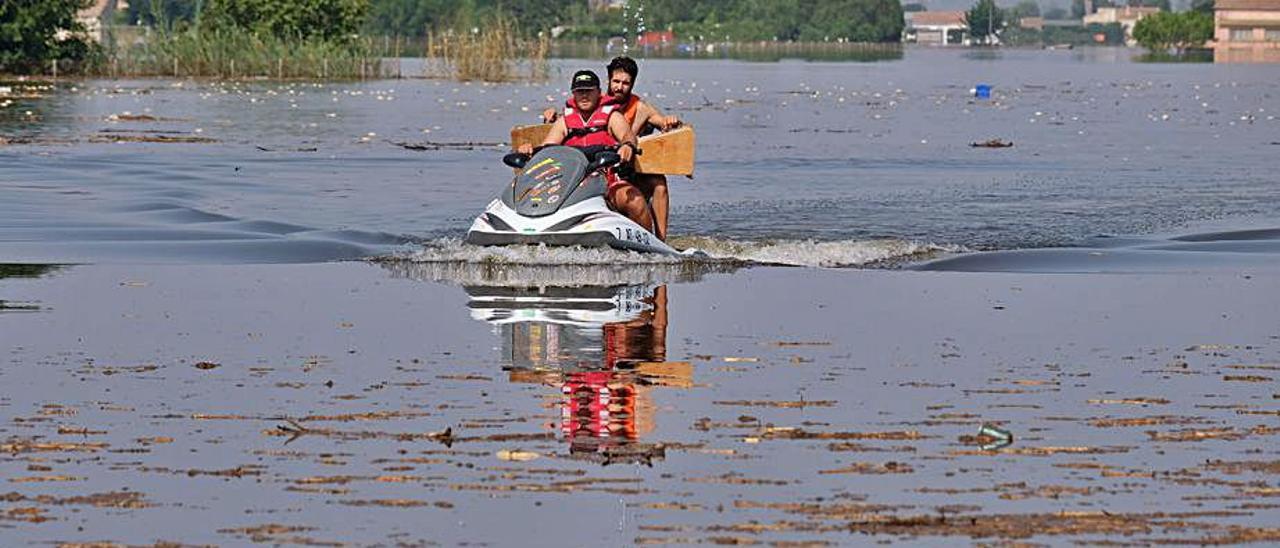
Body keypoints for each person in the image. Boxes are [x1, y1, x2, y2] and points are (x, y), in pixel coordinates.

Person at [543, 57, 680, 241]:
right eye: (616, 82)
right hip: (576, 179)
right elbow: (549, 145)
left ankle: (658, 243)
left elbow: (632, 133)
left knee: (656, 185)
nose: (619, 87)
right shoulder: (568, 117)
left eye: (625, 83)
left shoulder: (624, 112)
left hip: (616, 171)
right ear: (607, 82)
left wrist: (667, 124)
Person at [518, 70, 653, 234]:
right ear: (573, 94)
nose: (584, 96)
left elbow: (627, 135)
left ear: (598, 92)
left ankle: (651, 248)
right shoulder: (565, 121)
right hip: (570, 183)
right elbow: (548, 147)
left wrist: (627, 146)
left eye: (589, 91)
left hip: (605, 180)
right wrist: (530, 151)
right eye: (580, 91)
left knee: (636, 202)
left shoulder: (612, 116)